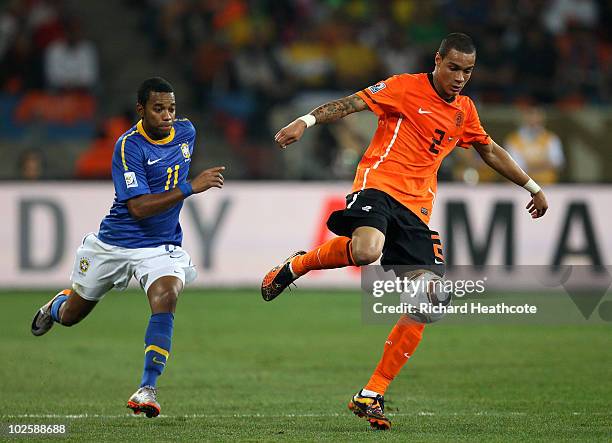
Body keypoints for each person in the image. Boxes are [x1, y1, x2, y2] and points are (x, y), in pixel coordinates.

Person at [261, 33, 548, 431]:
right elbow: (350, 104)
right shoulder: (403, 87)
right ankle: (300, 265)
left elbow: (490, 150)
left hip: (417, 209)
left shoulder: (465, 111)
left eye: (468, 70)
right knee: (366, 252)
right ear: (437, 61)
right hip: (378, 184)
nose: (460, 77)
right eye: (453, 68)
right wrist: (305, 121)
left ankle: (372, 393)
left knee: (431, 297)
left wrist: (532, 187)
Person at [30, 77, 225, 418]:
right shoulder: (128, 146)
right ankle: (57, 304)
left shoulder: (187, 133)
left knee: (167, 296)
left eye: (171, 108)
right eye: (158, 108)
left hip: (161, 245)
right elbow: (137, 208)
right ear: (141, 110)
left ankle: (147, 388)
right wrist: (190, 188)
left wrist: (184, 188)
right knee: (73, 316)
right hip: (116, 243)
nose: (167, 116)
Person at [505, 106, 565, 184]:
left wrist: (529, 165)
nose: (534, 121)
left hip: (547, 186)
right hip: (521, 187)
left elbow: (558, 162)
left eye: (537, 118)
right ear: (524, 119)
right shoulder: (513, 140)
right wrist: (544, 164)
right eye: (531, 118)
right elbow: (513, 166)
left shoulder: (551, 138)